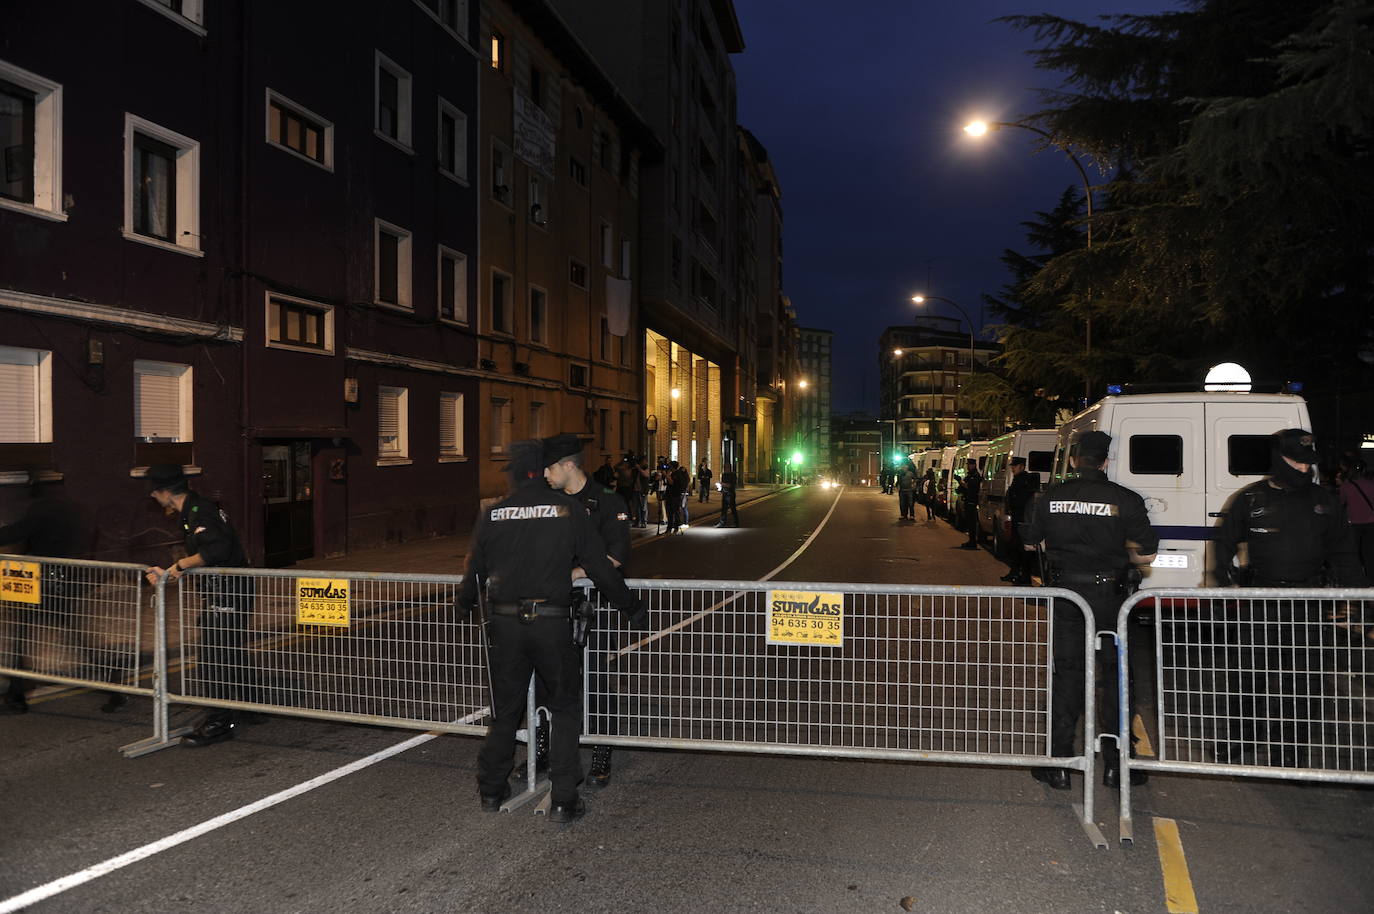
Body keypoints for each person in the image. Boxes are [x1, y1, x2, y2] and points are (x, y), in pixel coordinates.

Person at [456, 440, 645, 824]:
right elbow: (599, 566)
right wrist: (630, 606)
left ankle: (491, 789)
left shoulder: (493, 514)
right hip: (551, 621)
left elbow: (473, 572)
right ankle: (563, 798)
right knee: (564, 708)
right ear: (542, 471)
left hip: (505, 624)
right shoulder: (568, 510)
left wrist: (462, 607)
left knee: (505, 712)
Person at [1212, 429, 1366, 764]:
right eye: (1295, 460)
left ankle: (1292, 750)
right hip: (1260, 601)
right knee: (1249, 675)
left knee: (1303, 681)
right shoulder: (1250, 499)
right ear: (1278, 459)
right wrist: (1221, 579)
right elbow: (1223, 542)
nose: (1302, 468)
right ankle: (1242, 738)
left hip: (1307, 604)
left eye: (1307, 462)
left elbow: (1345, 552)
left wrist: (1361, 597)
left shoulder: (1324, 501)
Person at [1020, 431, 1158, 790]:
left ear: (1072, 461)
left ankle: (1061, 765)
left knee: (1068, 676)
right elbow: (1147, 555)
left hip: (1068, 595)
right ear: (1106, 462)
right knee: (1115, 678)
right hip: (1110, 597)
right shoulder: (1124, 499)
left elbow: (1027, 540)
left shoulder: (1051, 495)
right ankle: (1115, 765)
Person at [142, 464, 257, 747]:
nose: (155, 499)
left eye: (155, 493)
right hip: (224, 590)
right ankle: (249, 704)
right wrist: (173, 571)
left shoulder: (199, 512)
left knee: (213, 655)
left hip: (229, 592)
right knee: (227, 650)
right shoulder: (193, 510)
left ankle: (219, 721)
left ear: (166, 492)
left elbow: (216, 550)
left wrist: (178, 566)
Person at [542, 434, 632, 788]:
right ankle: (543, 749)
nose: (544, 475)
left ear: (568, 465)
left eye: (549, 468)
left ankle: (601, 752)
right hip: (553, 607)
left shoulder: (608, 501)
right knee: (549, 680)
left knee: (595, 681)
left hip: (597, 605)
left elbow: (617, 554)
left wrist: (577, 574)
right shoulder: (547, 502)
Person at [0, 472, 128, 715]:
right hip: (66, 580)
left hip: (46, 582)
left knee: (28, 638)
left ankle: (18, 694)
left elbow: (17, 533)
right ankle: (17, 694)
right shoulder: (75, 510)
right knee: (61, 637)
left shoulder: (43, 510)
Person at [1000, 458, 1038, 585]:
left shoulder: (1025, 480)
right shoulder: (1018, 479)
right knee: (1015, 547)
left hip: (1023, 519)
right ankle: (1015, 572)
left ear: (1022, 466)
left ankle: (1024, 576)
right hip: (1017, 517)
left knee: (1023, 549)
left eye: (1014, 466)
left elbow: (1023, 500)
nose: (1012, 468)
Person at [1338, 458, 1374, 578]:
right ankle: (1371, 578)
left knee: (1354, 553)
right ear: (1364, 471)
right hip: (1371, 522)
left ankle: (1356, 578)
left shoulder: (1346, 486)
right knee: (1369, 553)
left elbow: (1341, 503)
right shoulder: (1371, 485)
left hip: (1354, 523)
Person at [956, 460, 983, 549]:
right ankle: (971, 541)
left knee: (972, 523)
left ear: (974, 465)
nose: (968, 466)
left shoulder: (975, 476)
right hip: (968, 501)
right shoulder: (970, 475)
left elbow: (970, 487)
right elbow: (964, 487)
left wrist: (960, 481)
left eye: (970, 465)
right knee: (969, 523)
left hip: (972, 501)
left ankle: (972, 543)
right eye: (968, 465)